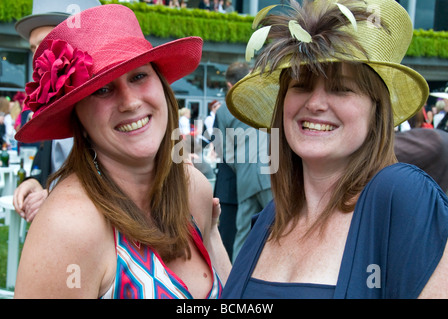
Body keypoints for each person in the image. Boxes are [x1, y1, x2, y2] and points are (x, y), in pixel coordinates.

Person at [222, 0, 448, 298]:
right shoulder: (269, 219)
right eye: (301, 85)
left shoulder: (401, 197)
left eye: (341, 88)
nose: (315, 104)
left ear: (377, 111)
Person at [14, 4, 230, 299]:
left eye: (138, 76)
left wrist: (214, 234)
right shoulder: (68, 227)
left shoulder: (194, 190)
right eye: (102, 90)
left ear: (163, 87)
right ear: (79, 118)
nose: (129, 102)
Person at [13, 0, 101, 222]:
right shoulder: (53, 100)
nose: (36, 60)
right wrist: (34, 181)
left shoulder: (108, 105)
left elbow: (123, 182)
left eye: (44, 47)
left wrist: (56, 197)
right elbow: (50, 163)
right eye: (33, 49)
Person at [213, 61, 272, 262]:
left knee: (243, 236)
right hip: (271, 170)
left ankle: (237, 284)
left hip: (245, 177)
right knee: (280, 229)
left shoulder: (223, 110)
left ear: (230, 85)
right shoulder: (265, 98)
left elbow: (223, 151)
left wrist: (242, 166)